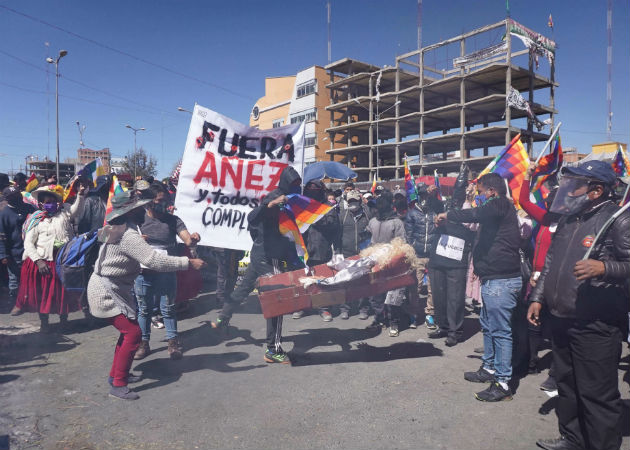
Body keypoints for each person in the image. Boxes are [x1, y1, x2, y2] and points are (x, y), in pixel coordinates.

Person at [528, 161, 629, 450]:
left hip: (596, 323)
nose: (567, 191)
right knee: (568, 387)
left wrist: (605, 267)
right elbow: (550, 264)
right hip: (562, 317)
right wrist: (538, 297)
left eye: (575, 186)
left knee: (597, 396)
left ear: (596, 191)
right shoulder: (570, 219)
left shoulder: (619, 219)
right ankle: (573, 440)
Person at [87, 191, 205, 400]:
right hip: (106, 291)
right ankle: (118, 384)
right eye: (140, 207)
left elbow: (101, 236)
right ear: (131, 211)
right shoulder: (129, 235)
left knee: (128, 332)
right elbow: (154, 261)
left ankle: (116, 376)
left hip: (110, 288)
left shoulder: (119, 228)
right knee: (133, 334)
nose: (145, 210)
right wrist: (187, 262)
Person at [437, 172, 522, 402]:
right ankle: (489, 368)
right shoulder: (494, 211)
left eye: (481, 192)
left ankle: (503, 383)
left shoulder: (499, 204)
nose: (479, 196)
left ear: (492, 191)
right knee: (488, 326)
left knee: (501, 331)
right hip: (492, 278)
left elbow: (474, 213)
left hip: (502, 280)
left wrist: (449, 214)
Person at [211, 166, 304, 364]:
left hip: (263, 254)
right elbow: (252, 217)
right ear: (286, 182)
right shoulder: (274, 197)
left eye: (299, 184)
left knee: (243, 288)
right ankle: (273, 349)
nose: (297, 187)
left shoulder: (290, 198)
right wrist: (271, 205)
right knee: (278, 299)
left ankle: (223, 318)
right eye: (294, 183)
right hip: (267, 257)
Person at [133, 182, 201, 360]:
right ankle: (143, 343)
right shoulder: (138, 220)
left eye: (166, 200)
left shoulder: (173, 220)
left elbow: (187, 239)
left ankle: (172, 343)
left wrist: (193, 239)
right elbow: (120, 237)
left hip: (167, 271)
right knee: (144, 309)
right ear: (149, 201)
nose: (163, 204)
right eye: (159, 200)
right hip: (142, 272)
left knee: (168, 308)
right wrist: (135, 239)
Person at [12, 184, 87, 331]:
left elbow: (77, 209)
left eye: (52, 201)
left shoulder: (65, 212)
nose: (50, 204)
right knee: (42, 295)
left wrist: (81, 194)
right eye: (46, 201)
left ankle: (63, 321)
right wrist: (38, 261)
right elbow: (28, 243)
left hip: (62, 260)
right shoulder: (35, 219)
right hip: (42, 262)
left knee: (62, 293)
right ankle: (44, 323)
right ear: (40, 204)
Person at [520, 165, 559, 389]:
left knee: (555, 329)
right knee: (533, 323)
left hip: (554, 283)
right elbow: (524, 201)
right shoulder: (545, 219)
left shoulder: (570, 223)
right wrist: (527, 176)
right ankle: (532, 362)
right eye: (549, 201)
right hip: (537, 280)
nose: (551, 204)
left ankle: (555, 373)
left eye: (555, 201)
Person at [425, 188, 474, 347]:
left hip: (456, 263)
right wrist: (431, 195)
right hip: (438, 260)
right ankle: (443, 326)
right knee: (439, 297)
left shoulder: (472, 212)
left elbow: (470, 231)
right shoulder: (444, 210)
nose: (457, 201)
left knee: (455, 298)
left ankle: (455, 331)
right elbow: (435, 206)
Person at [293, 179, 340, 321]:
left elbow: (333, 225)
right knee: (303, 279)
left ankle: (324, 308)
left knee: (321, 279)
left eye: (315, 190)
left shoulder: (327, 207)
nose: (312, 193)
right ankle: (303, 306)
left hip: (321, 248)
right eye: (310, 190)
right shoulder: (302, 205)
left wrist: (315, 216)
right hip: (303, 248)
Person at [366, 190, 407, 337]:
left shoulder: (396, 222)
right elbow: (369, 238)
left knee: (394, 293)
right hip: (376, 262)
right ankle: (379, 318)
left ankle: (393, 321)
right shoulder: (373, 221)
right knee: (376, 293)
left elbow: (401, 243)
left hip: (392, 263)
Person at [0, 186, 36, 312]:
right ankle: (17, 304)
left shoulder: (29, 208)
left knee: (31, 280)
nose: (18, 198)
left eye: (18, 195)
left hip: (31, 251)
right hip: (14, 254)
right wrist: (3, 255)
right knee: (14, 282)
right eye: (14, 197)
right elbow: (1, 237)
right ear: (8, 199)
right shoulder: (4, 214)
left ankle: (31, 303)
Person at [338, 189, 372, 319]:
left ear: (360, 201)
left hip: (363, 254)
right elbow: (338, 235)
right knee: (345, 283)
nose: (353, 204)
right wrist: (337, 252)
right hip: (346, 253)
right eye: (350, 201)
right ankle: (344, 309)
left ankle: (363, 308)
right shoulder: (342, 215)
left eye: (355, 201)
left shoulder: (367, 215)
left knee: (363, 283)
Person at [415, 182, 442, 330]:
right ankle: (415, 312)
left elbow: (440, 207)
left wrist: (433, 196)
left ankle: (429, 314)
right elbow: (409, 232)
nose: (424, 198)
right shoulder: (413, 212)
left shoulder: (435, 211)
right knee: (416, 286)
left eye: (426, 195)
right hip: (418, 255)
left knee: (432, 287)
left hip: (432, 255)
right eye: (422, 195)